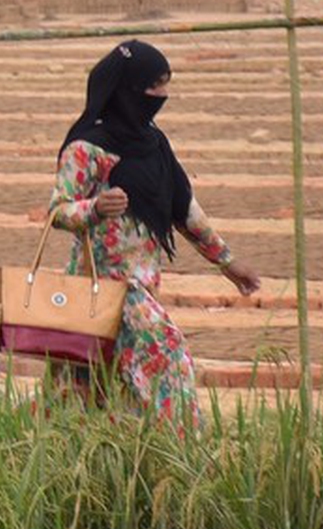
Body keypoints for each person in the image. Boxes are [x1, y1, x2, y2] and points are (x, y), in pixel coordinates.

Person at [50, 39, 260, 426]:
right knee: (168, 356)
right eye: (154, 85)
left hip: (144, 283)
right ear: (129, 88)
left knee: (100, 385)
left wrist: (227, 263)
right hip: (104, 287)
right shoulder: (87, 148)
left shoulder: (153, 143)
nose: (163, 95)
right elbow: (58, 210)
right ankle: (182, 454)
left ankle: (122, 467)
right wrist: (94, 208)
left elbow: (184, 210)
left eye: (166, 83)